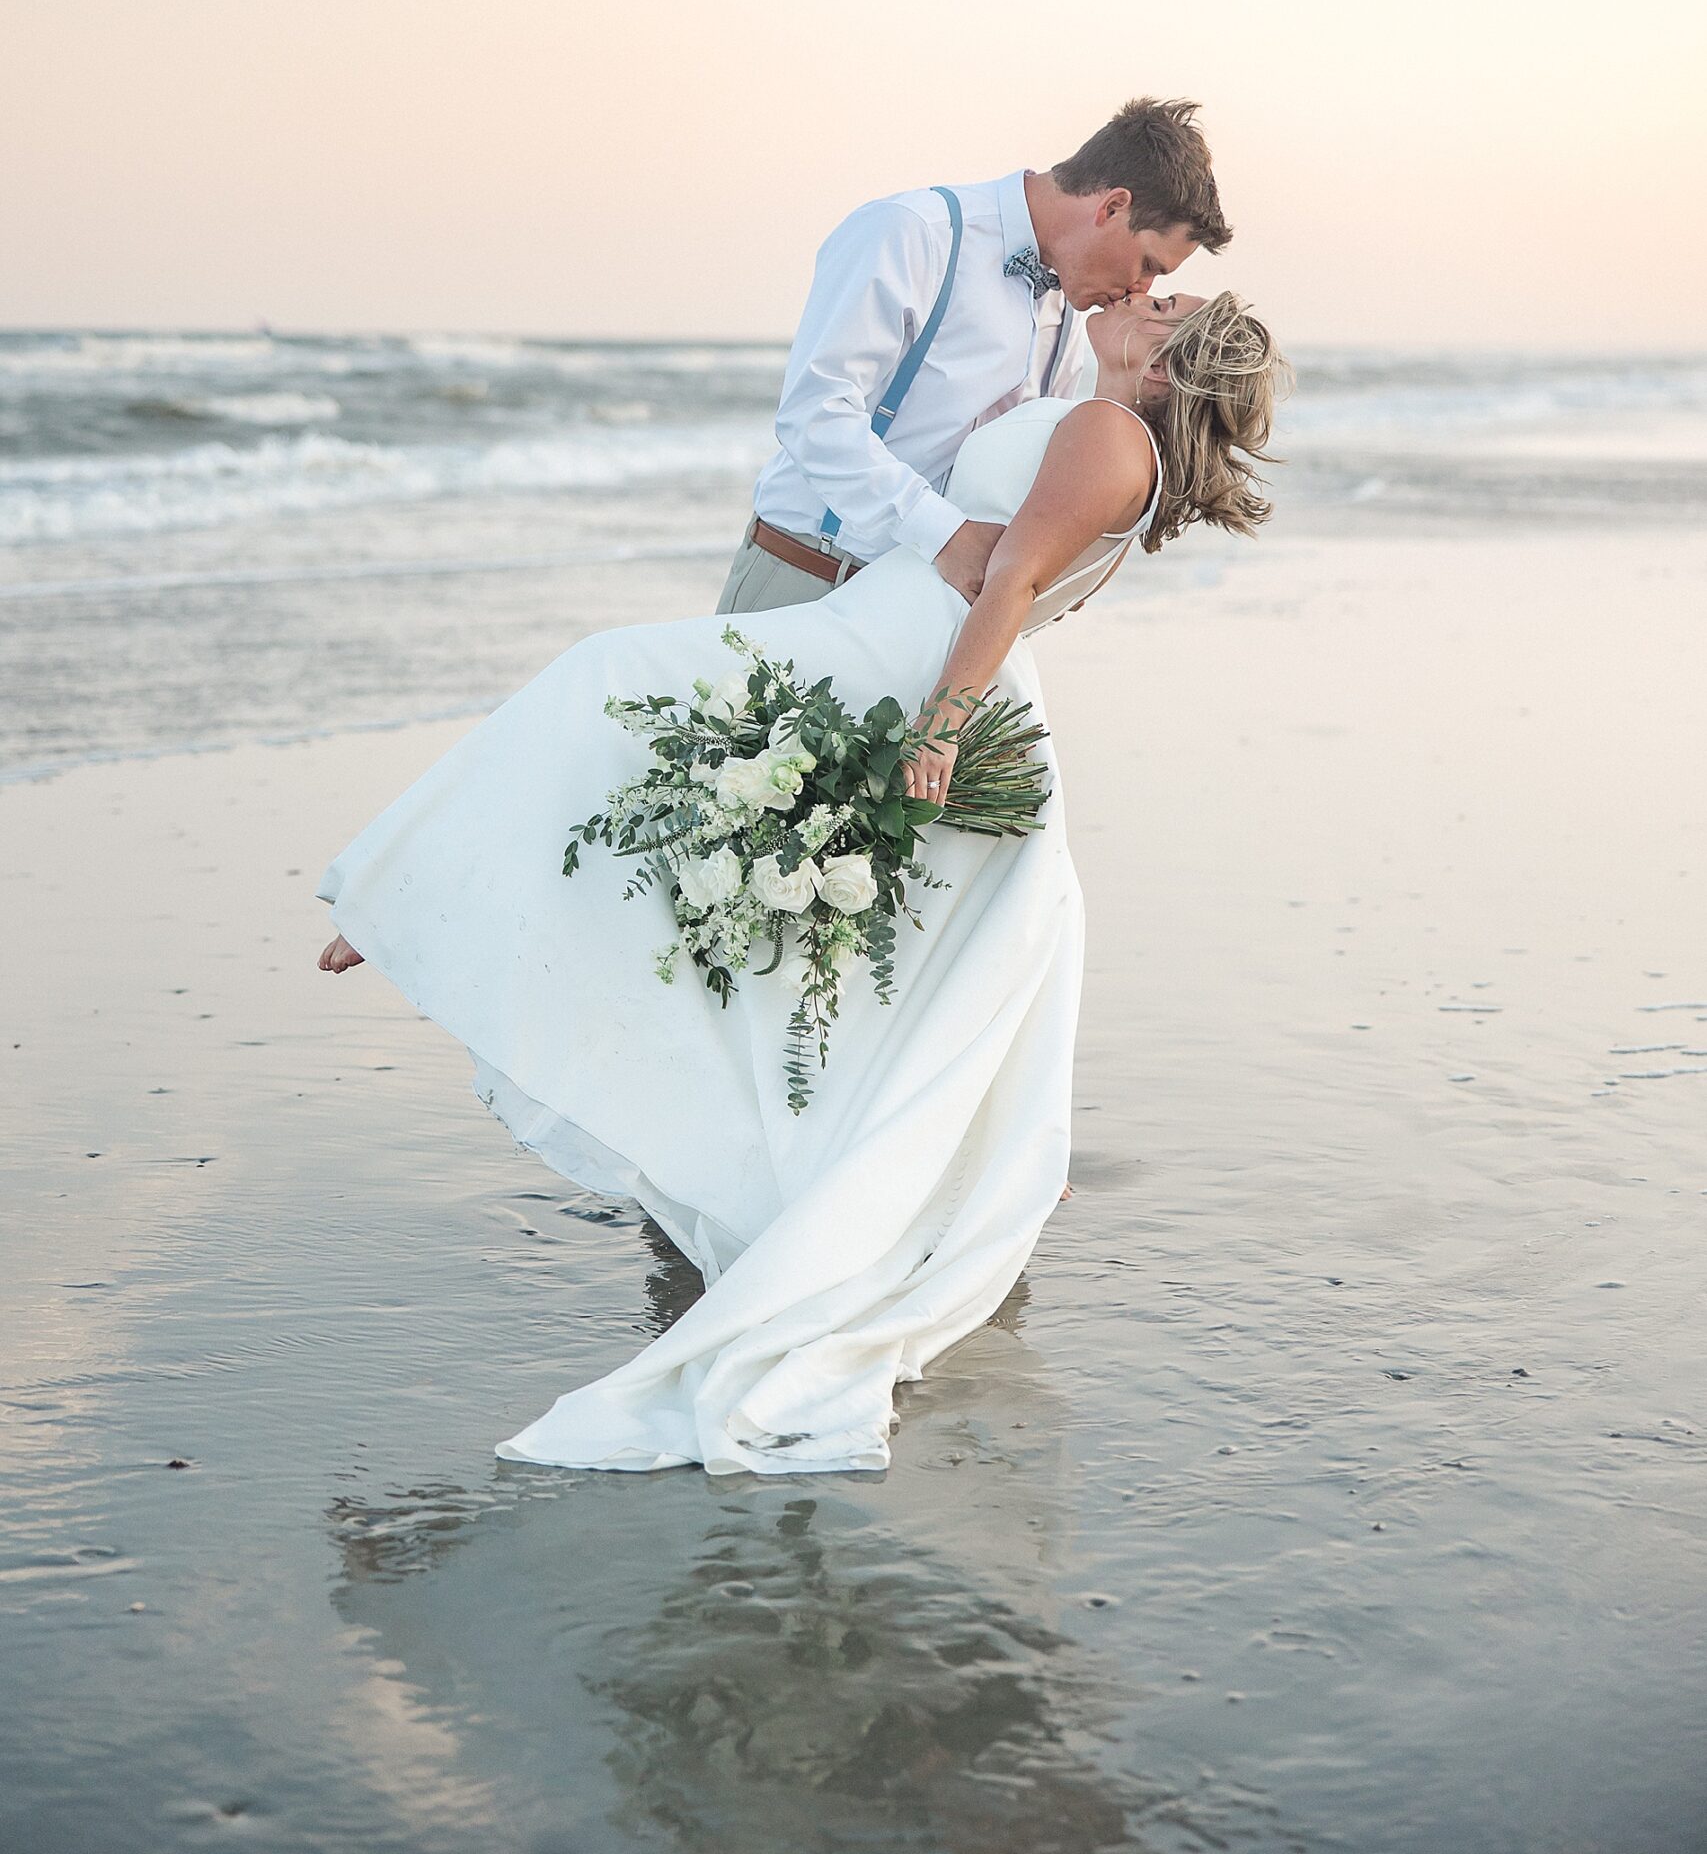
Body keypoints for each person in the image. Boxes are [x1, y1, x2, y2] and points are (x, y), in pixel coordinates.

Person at [314, 284, 1290, 1477]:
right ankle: (415, 905)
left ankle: (406, 903)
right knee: (709, 814)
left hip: (903, 658)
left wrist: (936, 728)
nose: (1150, 291)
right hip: (900, 642)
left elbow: (1010, 584)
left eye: (1172, 302)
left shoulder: (1108, 435)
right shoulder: (1091, 422)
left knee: (606, 682)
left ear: (1171, 362)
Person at [717, 96, 1231, 616]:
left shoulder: (1075, 307)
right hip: (807, 582)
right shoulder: (910, 234)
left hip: (932, 612)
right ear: (1113, 207)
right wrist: (945, 535)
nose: (1140, 289)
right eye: (1148, 264)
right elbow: (814, 414)